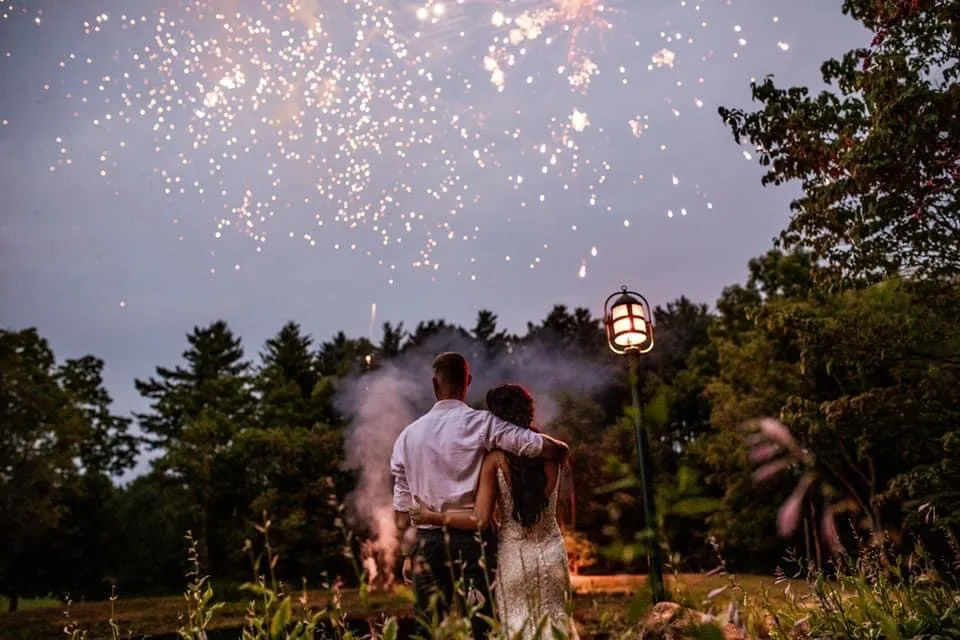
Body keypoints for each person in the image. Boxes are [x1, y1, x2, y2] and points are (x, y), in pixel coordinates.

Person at [391, 353, 569, 640]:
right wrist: (559, 449)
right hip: (472, 544)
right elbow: (532, 445)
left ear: (435, 386)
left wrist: (408, 553)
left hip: (427, 543)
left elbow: (402, 505)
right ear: (467, 382)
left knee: (426, 627)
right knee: (481, 626)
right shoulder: (483, 424)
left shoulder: (407, 436)